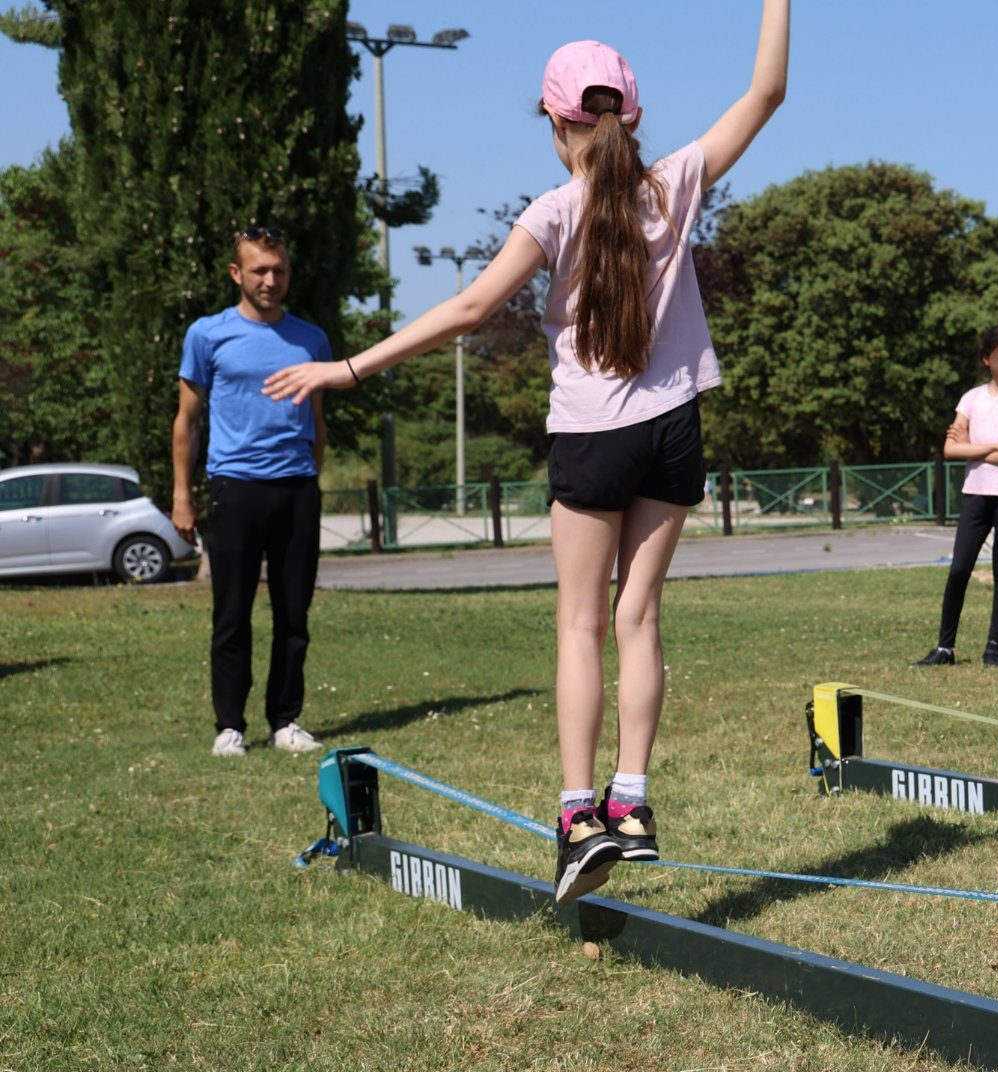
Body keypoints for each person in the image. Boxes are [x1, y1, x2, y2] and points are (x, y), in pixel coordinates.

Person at [264, 4, 790, 902]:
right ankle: (634, 801)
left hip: (592, 435)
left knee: (581, 624)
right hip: (672, 430)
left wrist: (346, 369)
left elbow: (468, 310)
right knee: (640, 617)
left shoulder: (554, 210)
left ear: (557, 123)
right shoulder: (675, 182)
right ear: (629, 113)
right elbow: (768, 90)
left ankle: (579, 816)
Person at [172, 226, 331, 759]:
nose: (270, 279)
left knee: (294, 614)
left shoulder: (311, 338)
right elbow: (187, 421)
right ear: (237, 273)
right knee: (231, 612)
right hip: (235, 488)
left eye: (278, 269)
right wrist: (181, 494)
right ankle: (229, 727)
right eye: (259, 270)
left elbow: (317, 419)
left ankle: (285, 720)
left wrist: (312, 477)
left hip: (296, 490)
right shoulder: (206, 335)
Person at [913, 325, 998, 669]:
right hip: (975, 495)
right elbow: (950, 448)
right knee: (958, 570)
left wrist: (973, 450)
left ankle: (994, 647)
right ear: (986, 360)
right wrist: (997, 444)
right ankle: (944, 649)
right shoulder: (970, 399)